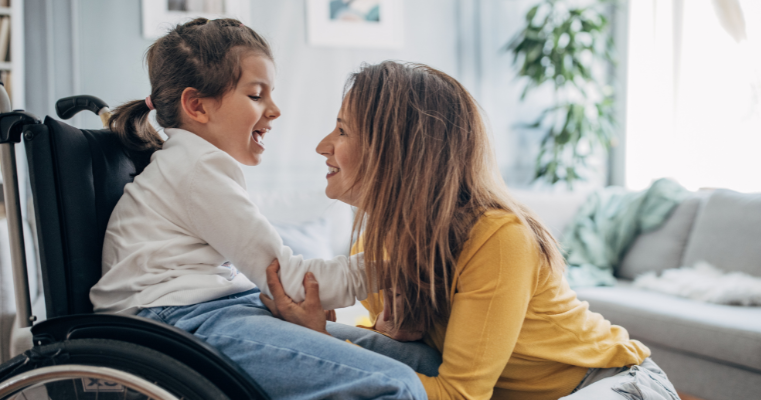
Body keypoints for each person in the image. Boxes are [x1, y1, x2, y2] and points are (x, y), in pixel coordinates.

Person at [264, 61, 680, 400]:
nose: (322, 145)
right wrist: (385, 337)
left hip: (615, 385)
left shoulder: (498, 237)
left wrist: (322, 344)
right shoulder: (375, 245)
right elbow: (411, 362)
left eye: (342, 130)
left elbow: (460, 396)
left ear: (398, 150)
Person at [90, 18, 429, 399]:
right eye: (256, 95)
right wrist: (395, 263)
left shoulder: (195, 166)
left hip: (219, 310)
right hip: (176, 324)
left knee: (420, 360)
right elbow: (291, 282)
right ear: (197, 106)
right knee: (397, 384)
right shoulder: (195, 170)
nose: (275, 110)